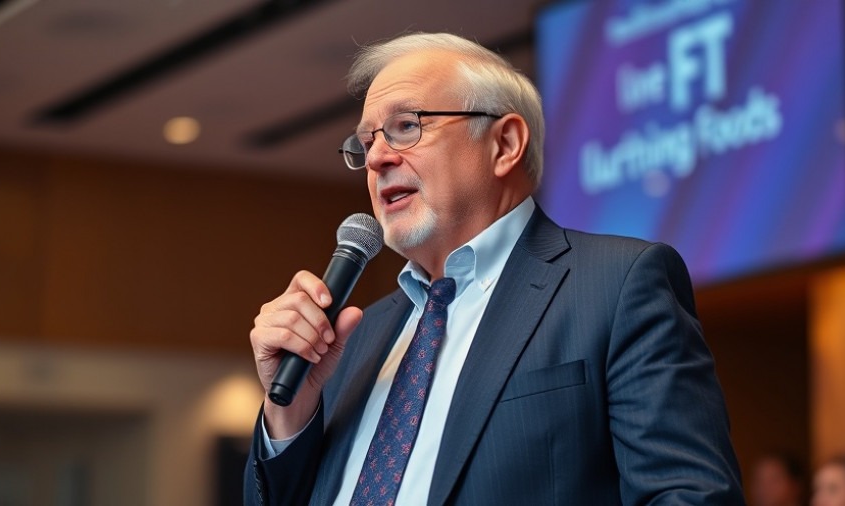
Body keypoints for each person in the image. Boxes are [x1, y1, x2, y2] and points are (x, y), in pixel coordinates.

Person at [245, 31, 744, 505]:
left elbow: (687, 494)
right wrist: (287, 413)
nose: (375, 158)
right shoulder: (354, 335)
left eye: (405, 127)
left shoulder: (617, 285)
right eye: (366, 141)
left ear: (504, 144)